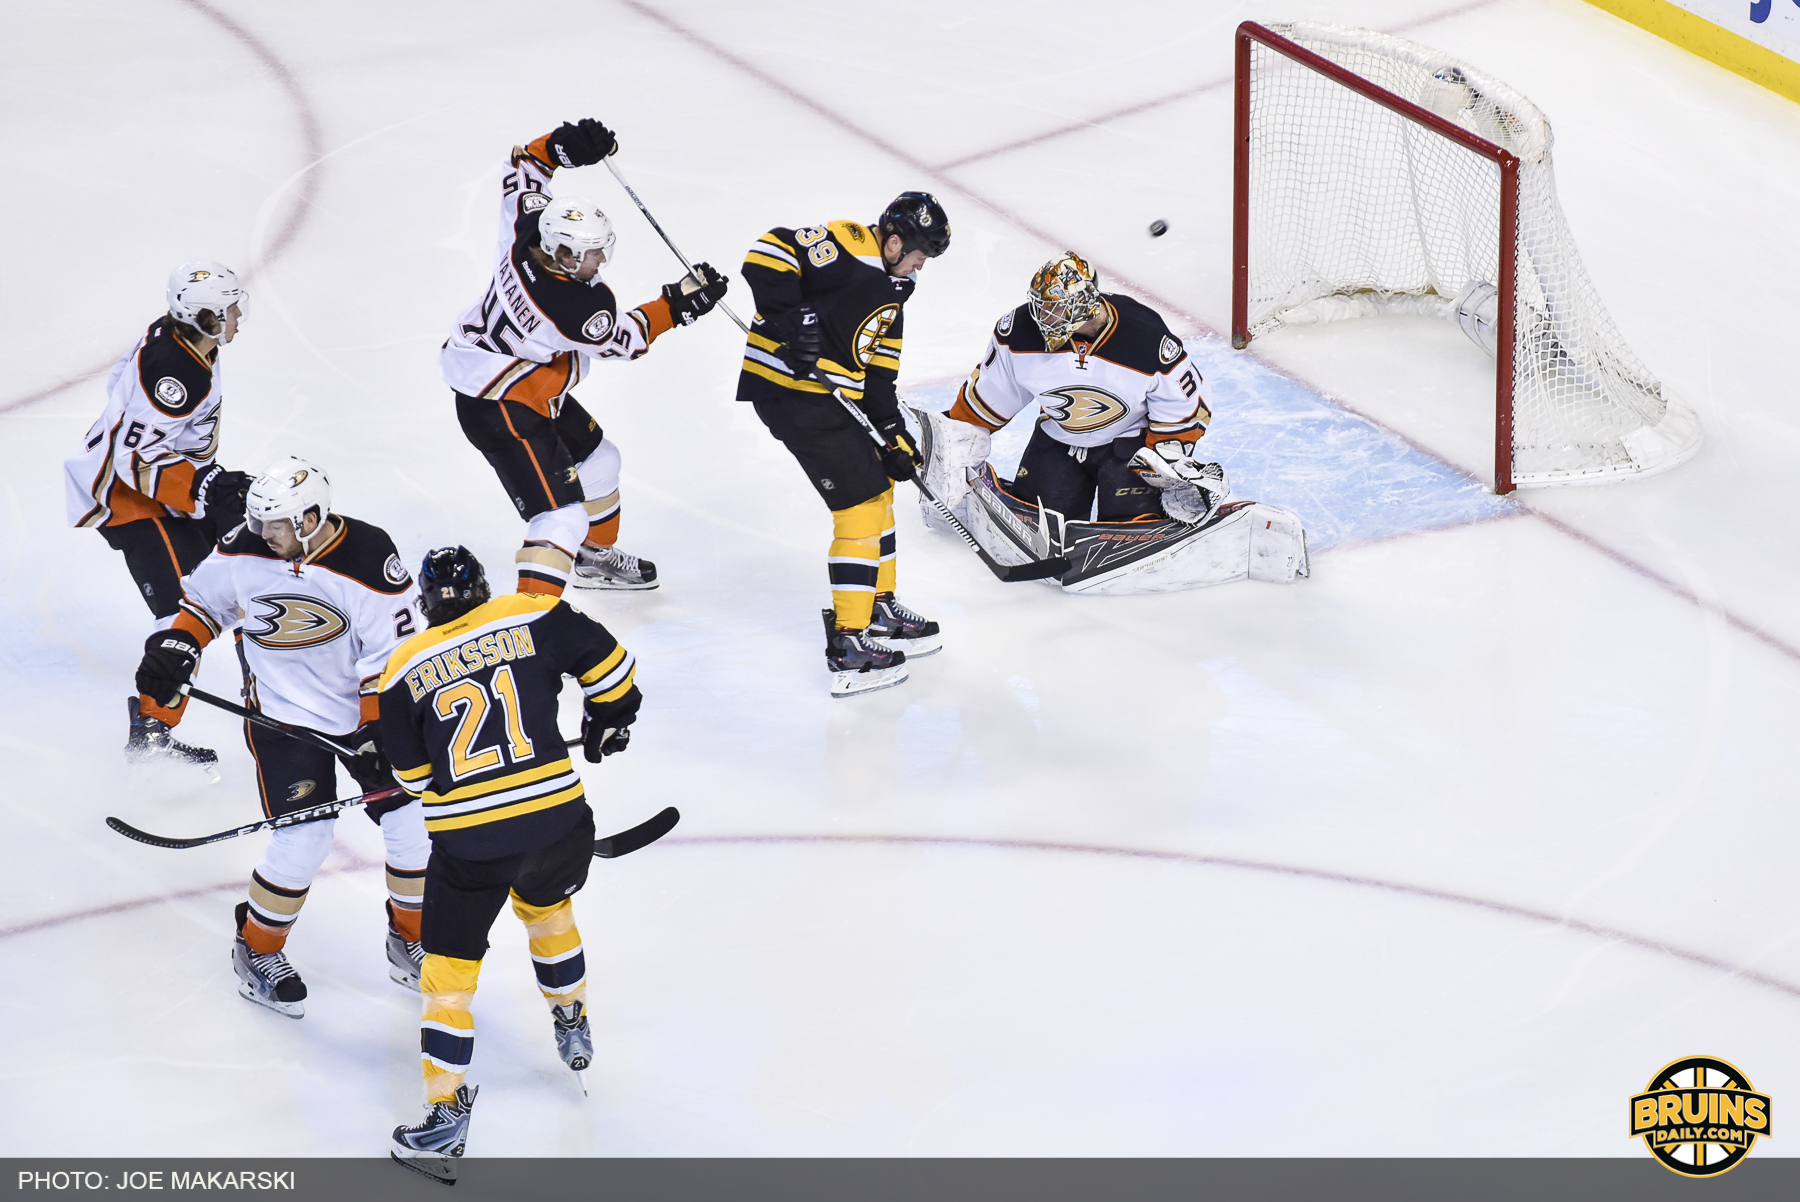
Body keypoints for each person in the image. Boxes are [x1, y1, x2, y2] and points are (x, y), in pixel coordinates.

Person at [132, 457, 430, 1018]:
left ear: (312, 518)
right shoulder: (246, 544)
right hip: (283, 721)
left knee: (413, 825)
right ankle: (258, 950)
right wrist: (180, 647)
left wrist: (374, 724)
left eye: (277, 525)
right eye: (259, 521)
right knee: (304, 842)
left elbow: (389, 653)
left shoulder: (367, 556)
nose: (264, 534)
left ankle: (408, 940)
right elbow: (204, 602)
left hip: (366, 719)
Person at [378, 547, 641, 1180]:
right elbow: (614, 669)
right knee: (549, 909)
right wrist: (609, 719)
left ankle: (444, 1118)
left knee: (448, 974)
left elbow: (413, 778)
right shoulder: (534, 613)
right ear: (484, 586)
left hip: (472, 847)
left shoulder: (402, 665)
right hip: (559, 824)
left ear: (426, 600)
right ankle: (571, 1020)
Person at [440, 117, 728, 597]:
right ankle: (532, 623)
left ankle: (591, 560)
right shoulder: (575, 309)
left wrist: (561, 148)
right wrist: (675, 306)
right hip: (499, 405)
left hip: (516, 380)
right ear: (567, 256)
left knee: (600, 464)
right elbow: (624, 342)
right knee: (560, 515)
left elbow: (527, 165)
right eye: (592, 254)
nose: (601, 261)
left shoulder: (525, 232)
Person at [736, 192, 949, 697]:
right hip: (792, 396)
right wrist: (793, 321)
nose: (922, 266)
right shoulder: (850, 244)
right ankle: (848, 647)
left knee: (880, 489)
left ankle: (879, 608)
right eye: (920, 255)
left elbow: (879, 377)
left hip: (832, 403)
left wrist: (893, 435)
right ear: (894, 241)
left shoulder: (897, 293)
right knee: (857, 506)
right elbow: (766, 255)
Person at [66, 261, 257, 771]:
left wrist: (197, 482)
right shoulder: (178, 372)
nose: (240, 314)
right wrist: (201, 486)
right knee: (182, 609)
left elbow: (119, 390)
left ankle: (269, 692)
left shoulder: (186, 342)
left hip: (168, 490)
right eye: (230, 307)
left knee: (234, 581)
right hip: (129, 499)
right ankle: (150, 733)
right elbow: (133, 461)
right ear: (207, 317)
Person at [924, 251, 1227, 528]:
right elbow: (990, 396)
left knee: (1132, 523)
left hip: (1128, 445)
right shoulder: (1018, 332)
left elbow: (1183, 403)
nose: (1041, 318)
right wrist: (951, 440)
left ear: (1083, 306)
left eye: (1053, 310)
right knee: (1036, 519)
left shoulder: (1145, 336)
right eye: (1040, 307)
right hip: (1059, 438)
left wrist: (1168, 454)